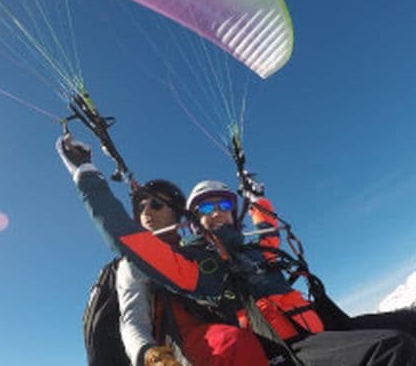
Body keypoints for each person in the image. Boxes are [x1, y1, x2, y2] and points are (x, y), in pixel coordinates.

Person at [57, 136, 416, 365]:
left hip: (321, 325)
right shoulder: (199, 263)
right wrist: (87, 175)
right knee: (393, 350)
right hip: (287, 346)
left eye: (223, 204)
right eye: (204, 209)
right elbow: (131, 244)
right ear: (192, 222)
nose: (216, 213)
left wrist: (257, 200)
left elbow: (268, 237)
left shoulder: (253, 249)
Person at [63, 138, 270, 366]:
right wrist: (148, 355)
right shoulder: (134, 262)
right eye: (141, 207)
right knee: (233, 345)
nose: (147, 212)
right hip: (178, 345)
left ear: (177, 214)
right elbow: (133, 319)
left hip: (227, 327)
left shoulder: (197, 251)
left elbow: (265, 245)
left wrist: (257, 200)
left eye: (156, 205)